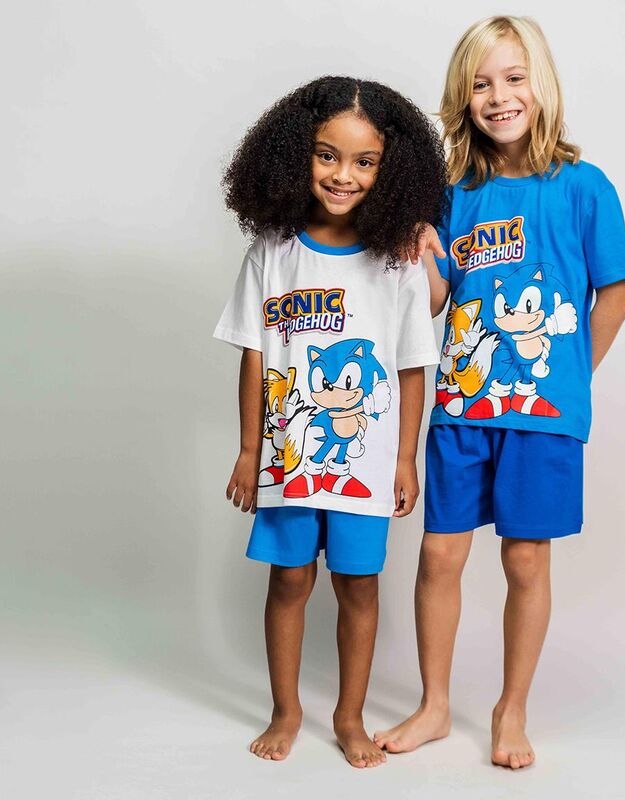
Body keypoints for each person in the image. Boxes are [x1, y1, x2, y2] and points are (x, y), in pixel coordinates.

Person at [373, 16, 625, 769]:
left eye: (513, 78)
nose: (499, 97)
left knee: (526, 561)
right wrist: (423, 255)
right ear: (463, 99)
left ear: (541, 83)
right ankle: (434, 705)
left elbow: (615, 297)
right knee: (439, 556)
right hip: (461, 409)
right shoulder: (452, 195)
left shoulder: (583, 187)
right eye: (481, 85)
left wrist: (571, 376)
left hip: (543, 417)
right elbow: (434, 302)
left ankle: (510, 708)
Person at [213, 75, 447, 768]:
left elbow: (412, 367)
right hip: (288, 459)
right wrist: (249, 450)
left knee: (357, 585)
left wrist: (403, 459)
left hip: (365, 466)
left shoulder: (398, 261)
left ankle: (349, 716)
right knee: (288, 581)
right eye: (327, 155)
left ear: (391, 171)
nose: (343, 175)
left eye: (364, 161)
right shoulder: (272, 252)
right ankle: (285, 710)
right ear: (295, 155)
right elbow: (255, 356)